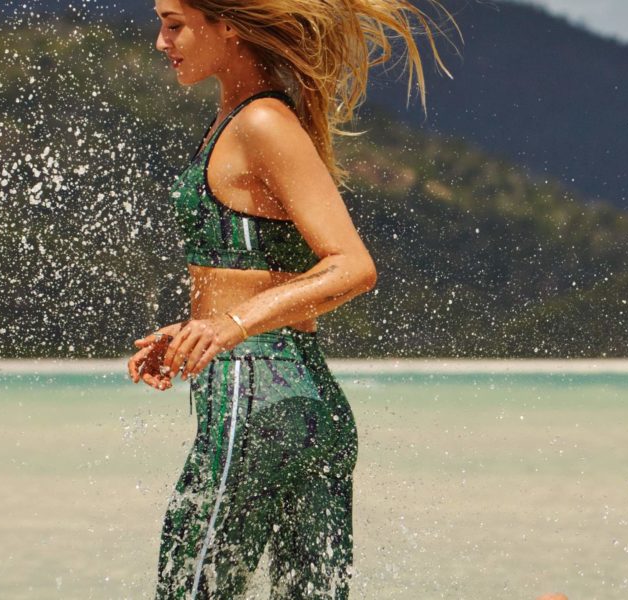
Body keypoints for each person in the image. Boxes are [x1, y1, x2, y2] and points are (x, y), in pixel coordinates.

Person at [125, 0, 454, 597]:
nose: (160, 42)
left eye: (174, 25)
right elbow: (252, 266)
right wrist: (198, 330)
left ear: (227, 25)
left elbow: (352, 266)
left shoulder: (262, 121)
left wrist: (229, 325)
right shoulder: (240, 119)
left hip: (258, 400)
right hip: (292, 399)